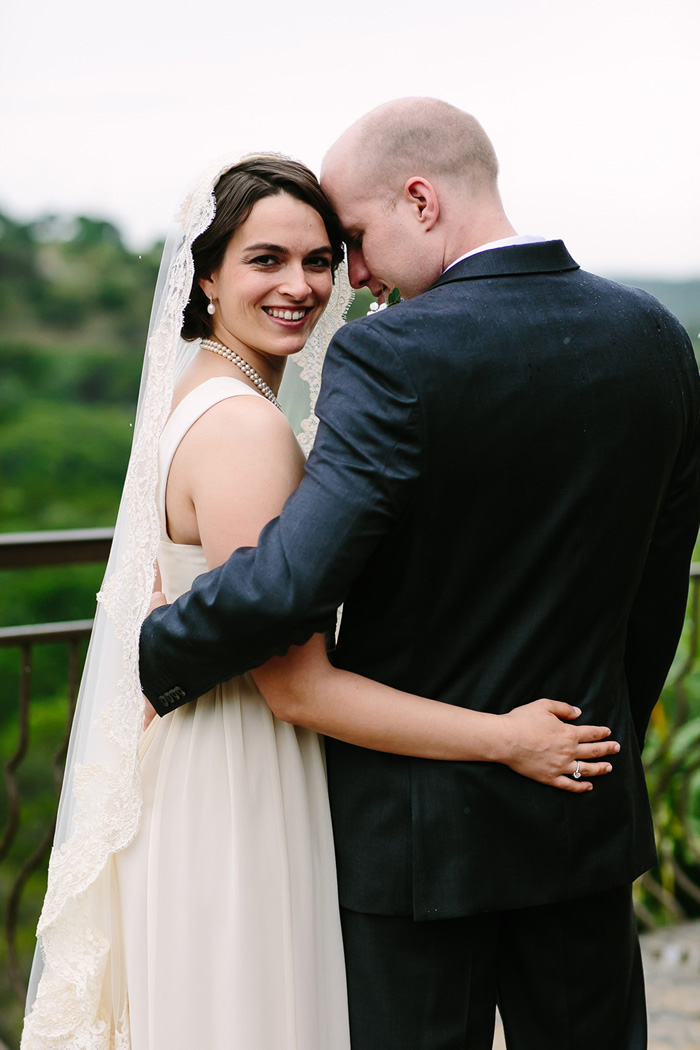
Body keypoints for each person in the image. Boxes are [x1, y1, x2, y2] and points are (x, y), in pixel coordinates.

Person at [21, 152, 616, 1050]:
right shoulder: (245, 427)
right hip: (240, 773)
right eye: (266, 260)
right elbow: (295, 687)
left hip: (223, 752)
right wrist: (510, 738)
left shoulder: (209, 396)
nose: (301, 284)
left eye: (320, 258)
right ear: (207, 276)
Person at [139, 101, 700, 1049]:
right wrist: (594, 733)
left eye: (349, 241)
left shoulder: (393, 351)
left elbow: (290, 585)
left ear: (421, 199)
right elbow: (658, 584)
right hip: (578, 807)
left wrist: (162, 642)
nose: (350, 278)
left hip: (411, 846)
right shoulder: (654, 334)